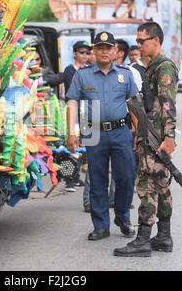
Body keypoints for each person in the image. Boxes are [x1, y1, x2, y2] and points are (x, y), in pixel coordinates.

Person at [113, 21, 179, 257]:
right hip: (151, 136)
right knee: (161, 185)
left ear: (156, 41)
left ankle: (143, 239)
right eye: (137, 40)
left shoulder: (164, 67)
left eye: (142, 40)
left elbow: (168, 106)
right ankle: (163, 237)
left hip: (157, 139)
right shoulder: (151, 68)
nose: (138, 45)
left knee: (146, 186)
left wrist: (169, 137)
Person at [66, 31, 138, 241]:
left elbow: (133, 102)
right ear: (94, 51)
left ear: (115, 50)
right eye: (100, 48)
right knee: (97, 179)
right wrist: (72, 132)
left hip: (120, 131)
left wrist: (138, 130)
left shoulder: (125, 74)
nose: (104, 51)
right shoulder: (82, 75)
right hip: (92, 130)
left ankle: (123, 218)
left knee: (125, 176)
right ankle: (101, 225)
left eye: (109, 47)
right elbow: (72, 102)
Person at [62, 41, 92, 192]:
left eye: (87, 52)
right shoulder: (69, 70)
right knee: (71, 145)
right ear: (74, 53)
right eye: (82, 52)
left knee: (86, 144)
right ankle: (69, 180)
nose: (85, 55)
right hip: (73, 110)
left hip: (87, 111)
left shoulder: (90, 69)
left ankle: (77, 177)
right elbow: (74, 91)